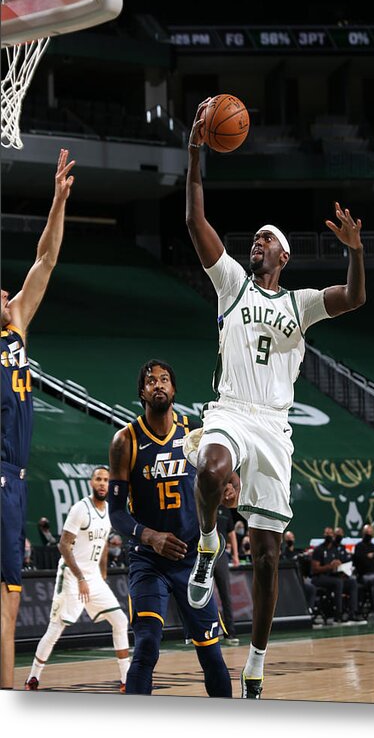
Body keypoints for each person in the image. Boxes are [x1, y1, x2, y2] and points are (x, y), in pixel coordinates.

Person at [183, 97, 366, 699]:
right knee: (210, 466)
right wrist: (194, 156)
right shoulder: (231, 284)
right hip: (231, 408)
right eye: (255, 238)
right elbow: (195, 225)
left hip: (276, 427)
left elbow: (354, 299)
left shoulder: (299, 303)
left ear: (283, 256)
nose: (256, 242)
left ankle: (257, 659)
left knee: (265, 556)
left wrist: (356, 252)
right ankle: (209, 536)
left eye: (266, 239)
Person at [108, 359, 232, 697]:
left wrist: (232, 489)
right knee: (147, 645)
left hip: (194, 561)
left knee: (211, 654)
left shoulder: (196, 434)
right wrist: (150, 536)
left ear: (174, 389)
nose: (158, 384)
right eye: (151, 380)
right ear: (142, 392)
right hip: (148, 560)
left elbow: (226, 480)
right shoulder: (126, 440)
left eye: (165, 379)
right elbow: (116, 513)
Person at [1, 148, 75, 690]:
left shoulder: (16, 328)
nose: (8, 294)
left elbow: (45, 260)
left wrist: (57, 202)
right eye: (1, 292)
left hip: (13, 483)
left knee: (7, 604)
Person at [24, 467, 130, 692]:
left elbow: (102, 546)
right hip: (72, 575)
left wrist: (102, 575)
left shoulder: (111, 511)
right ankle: (33, 676)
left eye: (106, 480)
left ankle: (126, 679)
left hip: (93, 577)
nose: (102, 483)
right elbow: (63, 545)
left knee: (120, 621)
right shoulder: (80, 509)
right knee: (56, 628)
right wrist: (81, 577)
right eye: (98, 479)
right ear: (92, 483)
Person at [310, 528, 364, 623]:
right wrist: (330, 567)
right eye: (327, 534)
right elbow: (315, 569)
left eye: (331, 534)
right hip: (319, 578)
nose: (329, 536)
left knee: (352, 582)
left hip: (332, 576)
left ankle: (353, 613)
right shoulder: (319, 549)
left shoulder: (335, 549)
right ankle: (338, 615)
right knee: (338, 582)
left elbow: (338, 565)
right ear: (324, 535)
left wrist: (341, 568)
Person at [215, 503, 240, 645]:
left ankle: (230, 632)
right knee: (205, 595)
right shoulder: (204, 503)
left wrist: (235, 555)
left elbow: (232, 533)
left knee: (226, 595)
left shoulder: (225, 510)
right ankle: (206, 632)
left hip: (221, 555)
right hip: (204, 553)